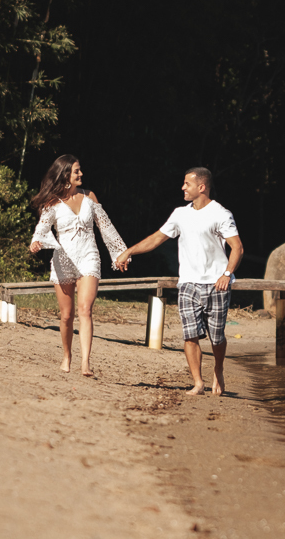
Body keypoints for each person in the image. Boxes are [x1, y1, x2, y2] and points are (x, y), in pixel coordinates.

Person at [116, 167, 242, 396]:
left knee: (217, 337)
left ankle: (218, 368)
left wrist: (226, 274)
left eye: (187, 184)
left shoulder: (221, 214)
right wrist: (129, 251)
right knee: (190, 334)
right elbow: (157, 238)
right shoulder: (180, 214)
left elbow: (237, 248)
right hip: (188, 284)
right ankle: (198, 383)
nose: (183, 187)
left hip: (217, 284)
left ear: (201, 187)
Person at [29, 154, 128, 377]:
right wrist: (36, 242)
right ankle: (67, 356)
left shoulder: (89, 196)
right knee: (66, 315)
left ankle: (85, 363)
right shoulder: (52, 202)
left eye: (79, 170)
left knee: (85, 310)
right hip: (63, 259)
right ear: (65, 174)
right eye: (76, 171)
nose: (81, 174)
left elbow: (106, 227)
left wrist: (120, 254)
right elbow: (41, 230)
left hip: (88, 256)